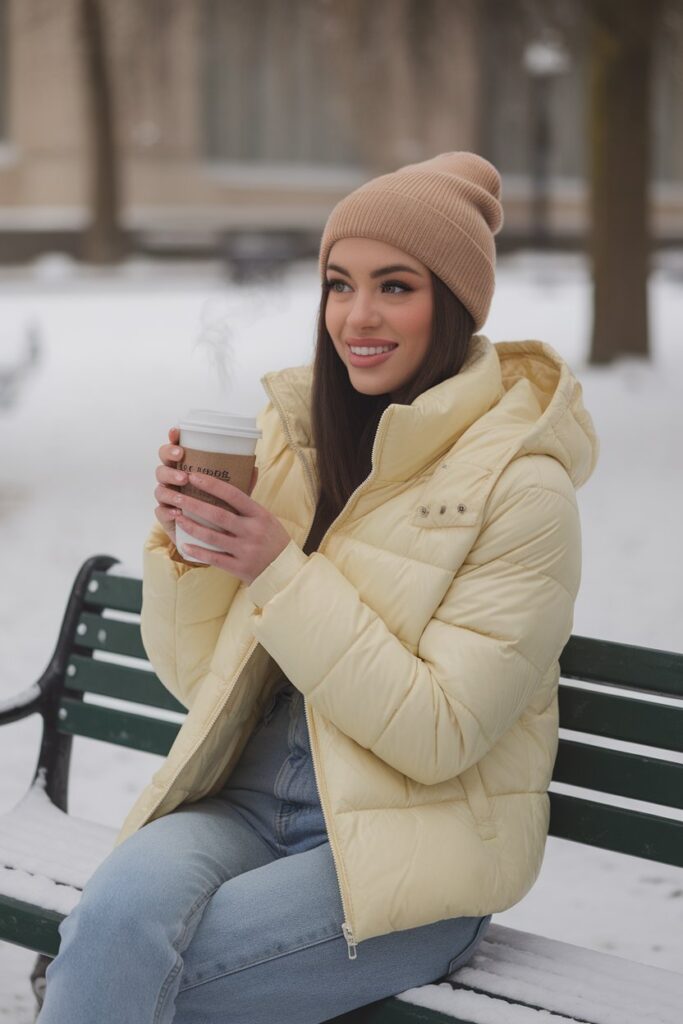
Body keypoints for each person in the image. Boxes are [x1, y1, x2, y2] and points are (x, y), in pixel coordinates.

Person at [38, 152, 599, 1023]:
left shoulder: (522, 488)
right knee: (108, 930)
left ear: (450, 304)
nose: (357, 316)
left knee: (138, 985)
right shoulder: (295, 440)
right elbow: (194, 682)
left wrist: (276, 569)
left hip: (412, 859)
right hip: (248, 806)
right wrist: (192, 549)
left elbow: (440, 734)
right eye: (339, 284)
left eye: (394, 287)